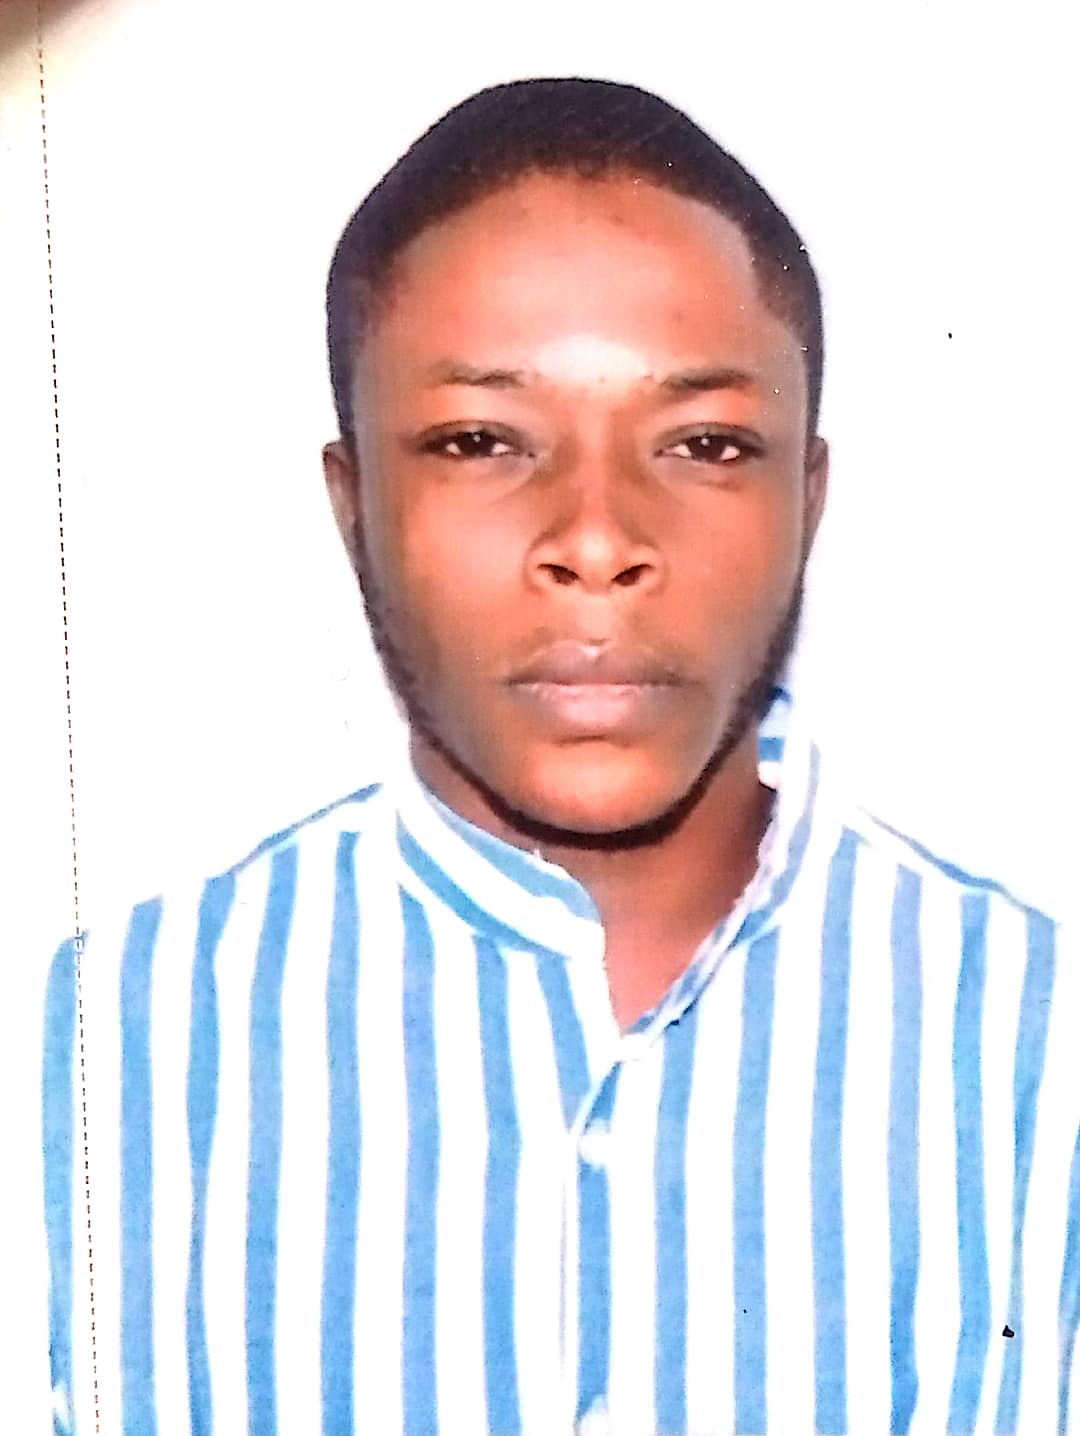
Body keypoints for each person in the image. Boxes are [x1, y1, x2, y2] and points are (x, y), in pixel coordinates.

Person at [41, 77, 1077, 1436]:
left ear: (805, 498)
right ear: (354, 505)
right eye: (480, 442)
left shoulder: (1043, 1041)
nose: (596, 539)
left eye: (706, 444)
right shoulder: (95, 1046)